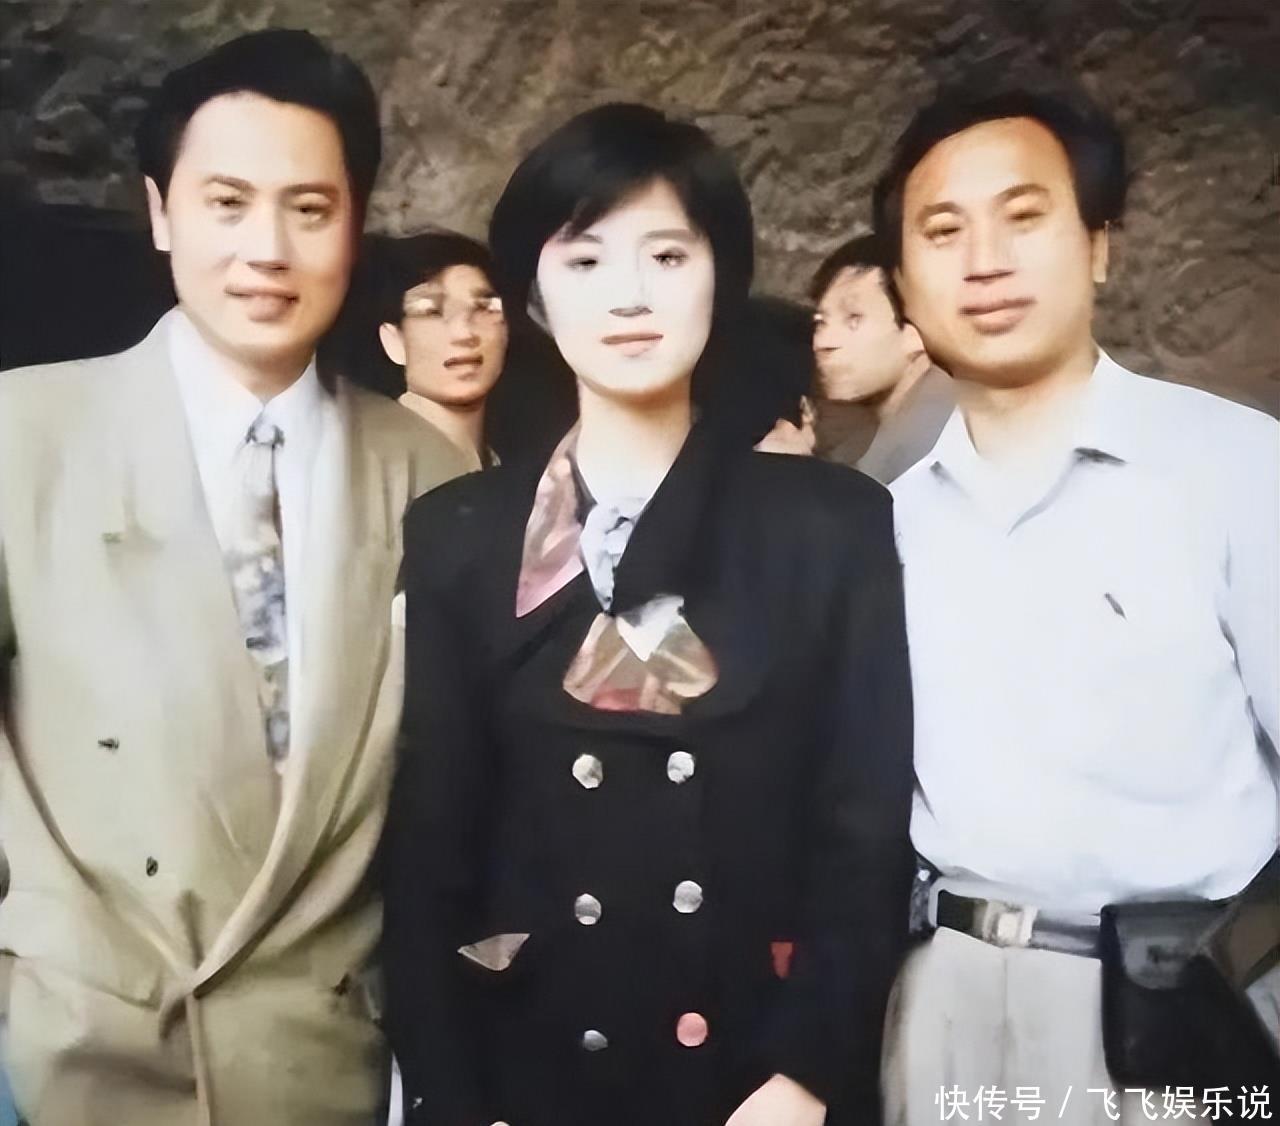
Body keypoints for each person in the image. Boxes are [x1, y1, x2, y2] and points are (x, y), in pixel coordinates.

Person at [382, 102, 914, 1126]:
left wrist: (805, 1074)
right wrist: (458, 1097)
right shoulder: (458, 534)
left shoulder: (828, 524)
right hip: (535, 1073)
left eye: (667, 257)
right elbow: (431, 853)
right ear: (534, 296)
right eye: (584, 262)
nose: (628, 295)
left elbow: (861, 828)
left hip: (759, 1082)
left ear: (721, 274)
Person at [0, 29, 468, 1126]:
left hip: (328, 1061)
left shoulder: (431, 475)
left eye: (308, 208)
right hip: (70, 1056)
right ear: (160, 212)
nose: (267, 248)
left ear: (355, 223)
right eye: (226, 203)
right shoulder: (24, 437)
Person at [875, 85, 1279, 1122]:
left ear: (1098, 245)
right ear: (903, 286)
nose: (984, 261)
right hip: (945, 995)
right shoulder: (883, 525)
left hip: (1177, 1001)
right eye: (942, 232)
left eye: (1023, 216)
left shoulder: (1238, 470)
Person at [808, 234, 953, 483]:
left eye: (853, 319)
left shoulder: (937, 445)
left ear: (919, 331)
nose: (822, 342)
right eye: (821, 322)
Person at [376, 230, 508, 468]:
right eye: (431, 311)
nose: (464, 332)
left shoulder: (511, 464)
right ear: (393, 341)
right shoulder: (374, 462)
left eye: (483, 308)